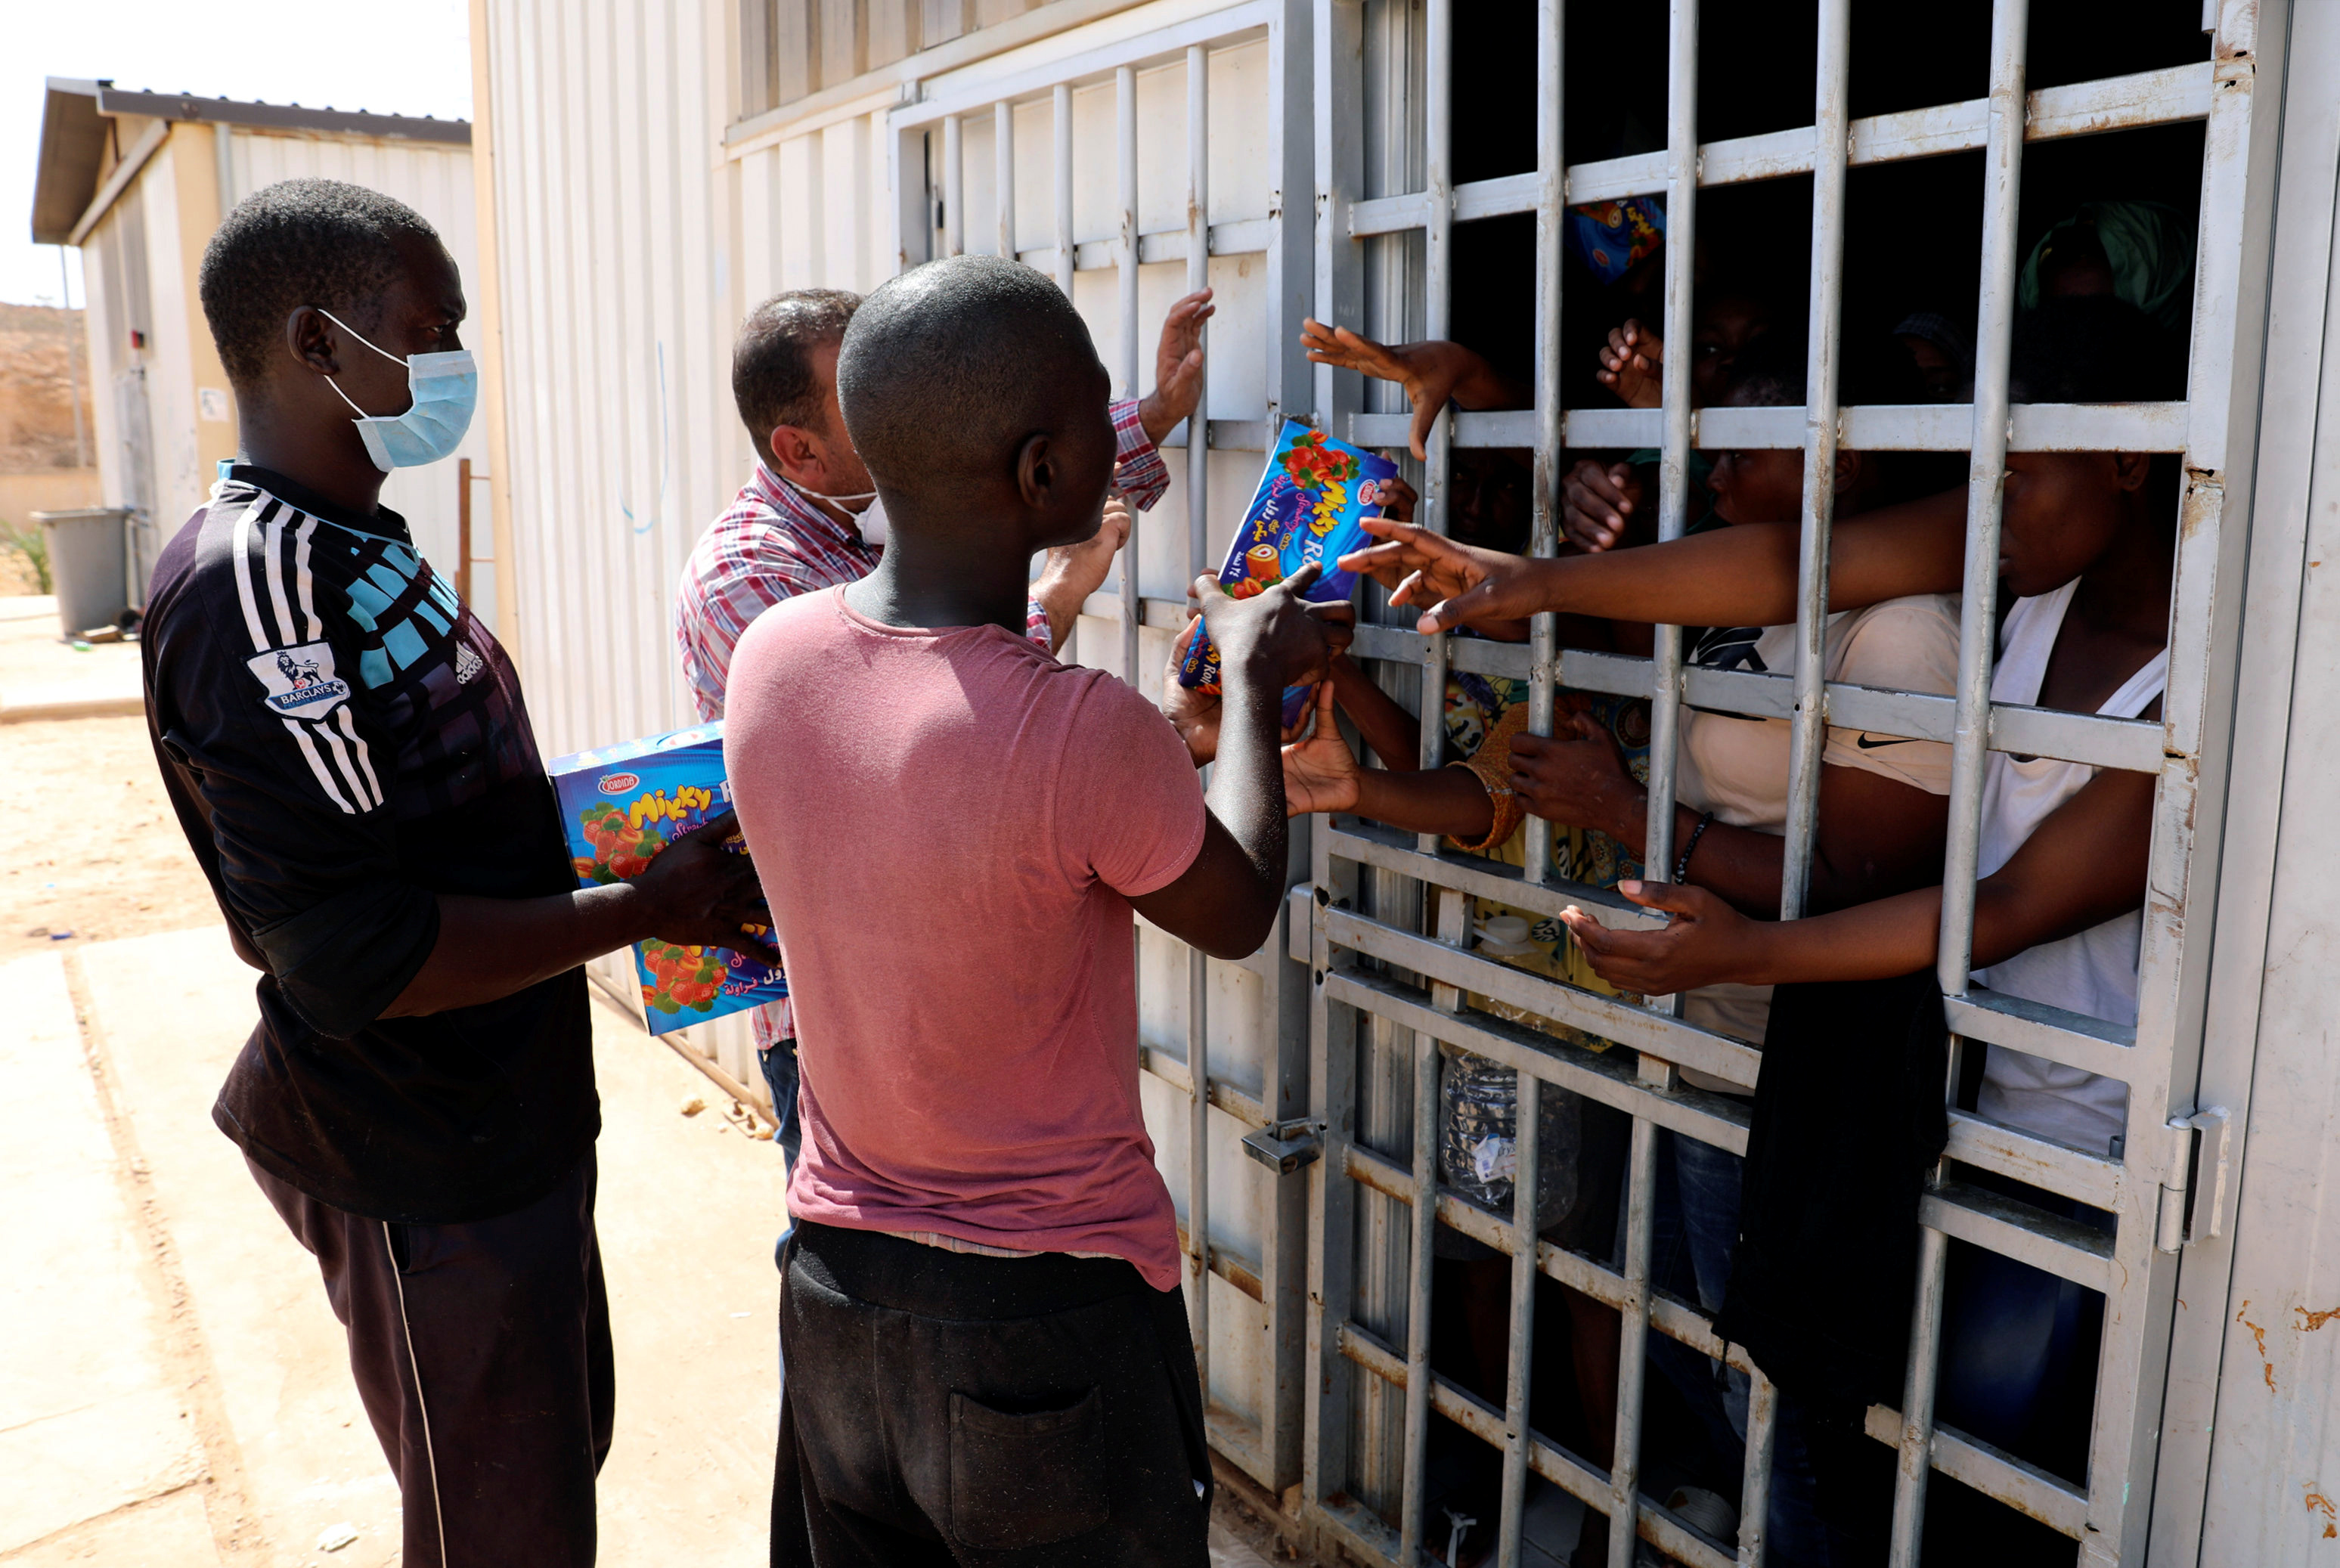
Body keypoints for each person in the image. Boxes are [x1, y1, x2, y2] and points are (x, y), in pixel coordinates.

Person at [1347, 296, 2179, 1501]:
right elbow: (1796, 564)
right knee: (1849, 1425)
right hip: (1937, 1084)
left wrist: (1753, 943)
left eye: (2025, 470)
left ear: (2125, 460)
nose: (1992, 500)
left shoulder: (2173, 698)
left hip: (2077, 1139)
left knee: (1969, 1474)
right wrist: (1533, 580)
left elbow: (1993, 907)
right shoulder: (2035, 571)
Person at [146, 178, 770, 1568]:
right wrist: (640, 908)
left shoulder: (361, 542)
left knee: (549, 1465)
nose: (454, 362)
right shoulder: (252, 590)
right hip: (418, 1151)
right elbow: (351, 946)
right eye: (432, 329)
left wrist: (631, 829)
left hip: (508, 1117)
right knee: (502, 1526)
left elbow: (434, 808)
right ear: (317, 342)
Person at [723, 255, 1340, 1566]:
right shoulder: (1080, 730)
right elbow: (1235, 909)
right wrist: (1248, 676)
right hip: (1044, 1328)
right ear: (1048, 476)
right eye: (1094, 413)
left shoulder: (772, 656)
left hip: (836, 1290)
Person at [674, 284, 1213, 1192]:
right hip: (846, 1011)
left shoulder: (883, 506)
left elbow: (1007, 465)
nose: (907, 412)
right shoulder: (750, 580)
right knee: (866, 1261)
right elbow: (917, 725)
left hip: (959, 975)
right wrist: (1056, 599)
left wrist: (1151, 419)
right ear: (798, 450)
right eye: (871, 397)